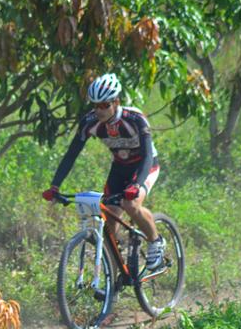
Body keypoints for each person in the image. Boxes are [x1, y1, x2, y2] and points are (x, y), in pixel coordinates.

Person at [42, 73, 165, 270]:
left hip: (144, 165)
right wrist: (55, 186)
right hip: (120, 167)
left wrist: (136, 185)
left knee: (130, 204)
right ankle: (115, 275)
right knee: (109, 219)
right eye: (95, 105)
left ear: (116, 102)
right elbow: (71, 154)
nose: (99, 110)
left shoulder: (135, 119)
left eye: (104, 105)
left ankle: (155, 241)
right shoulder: (89, 122)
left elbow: (148, 154)